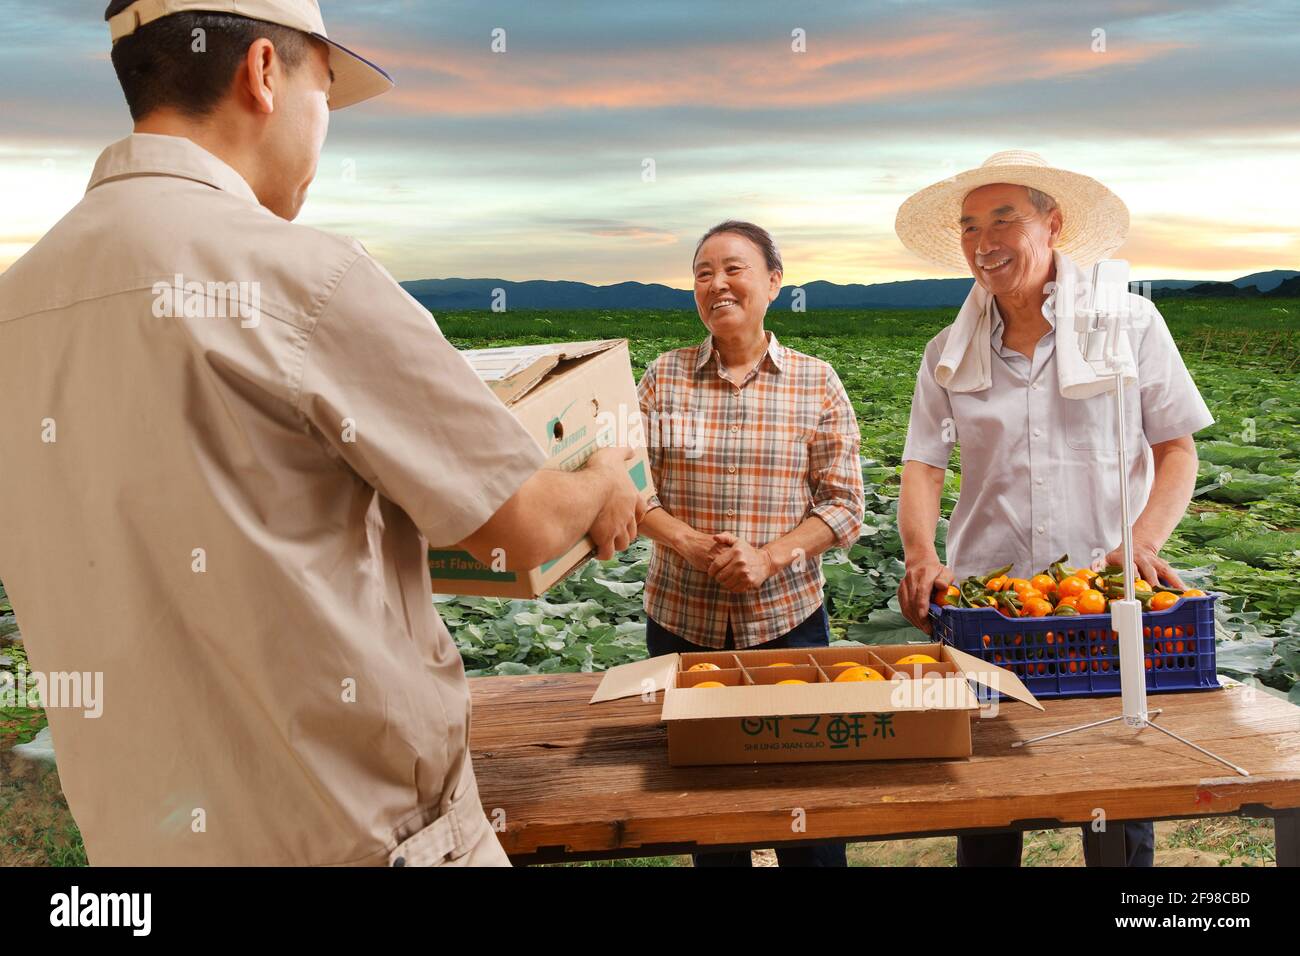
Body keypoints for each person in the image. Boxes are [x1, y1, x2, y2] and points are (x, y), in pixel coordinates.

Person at [0, 0, 644, 866]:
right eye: (324, 96)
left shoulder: (19, 304)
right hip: (362, 840)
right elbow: (518, 524)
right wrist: (604, 478)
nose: (322, 133)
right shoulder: (306, 276)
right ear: (263, 73)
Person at [893, 151, 1213, 867]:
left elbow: (1177, 450)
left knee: (1115, 788)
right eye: (971, 227)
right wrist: (921, 555)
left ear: (1054, 224)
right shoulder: (947, 350)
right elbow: (923, 464)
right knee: (985, 803)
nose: (984, 241)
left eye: (1004, 218)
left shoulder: (1128, 325)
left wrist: (1142, 543)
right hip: (987, 603)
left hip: (1103, 596)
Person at [636, 220, 865, 867]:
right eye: (703, 273)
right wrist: (687, 543)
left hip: (788, 626)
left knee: (808, 812)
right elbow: (629, 492)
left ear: (773, 282)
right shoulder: (663, 378)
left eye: (733, 268)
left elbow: (844, 507)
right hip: (682, 625)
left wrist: (771, 557)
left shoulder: (816, 382)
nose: (716, 284)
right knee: (711, 813)